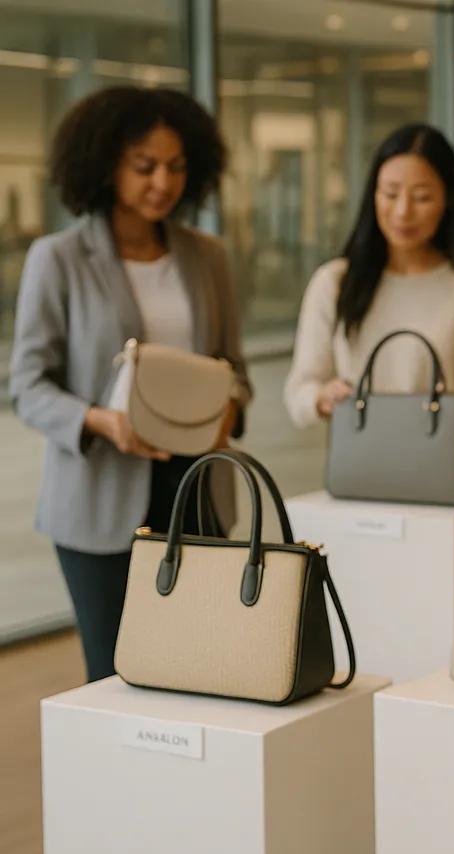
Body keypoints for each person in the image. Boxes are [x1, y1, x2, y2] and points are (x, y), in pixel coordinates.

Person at [9, 85, 250, 683]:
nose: (162, 182)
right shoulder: (58, 258)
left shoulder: (207, 256)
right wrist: (100, 420)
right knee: (114, 676)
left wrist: (230, 409)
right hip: (99, 495)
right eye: (144, 166)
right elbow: (28, 384)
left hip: (195, 487)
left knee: (202, 667)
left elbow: (235, 370)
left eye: (176, 166)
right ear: (104, 164)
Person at [284, 123, 454, 448]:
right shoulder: (334, 283)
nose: (403, 211)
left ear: (448, 200)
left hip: (442, 481)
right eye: (390, 193)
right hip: (357, 481)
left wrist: (427, 443)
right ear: (372, 195)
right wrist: (322, 398)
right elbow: (299, 391)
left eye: (422, 197)